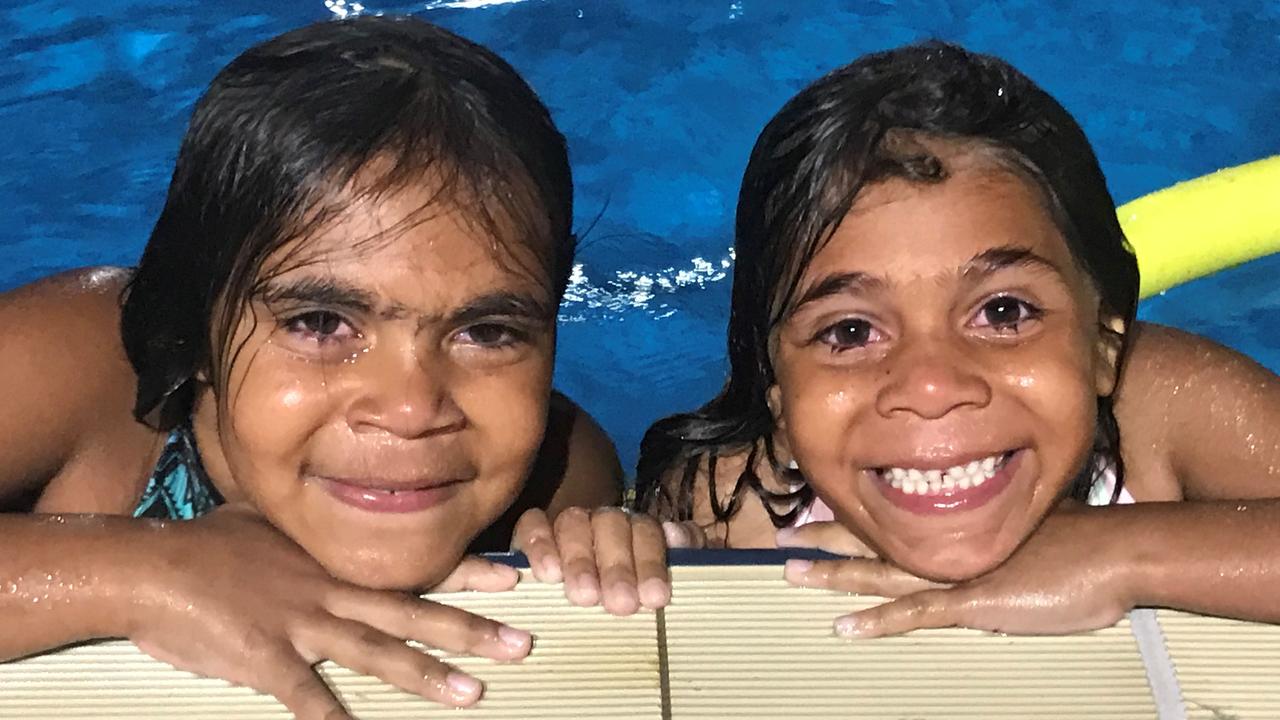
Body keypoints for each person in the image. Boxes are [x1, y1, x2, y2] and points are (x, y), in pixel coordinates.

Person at [0, 16, 665, 719]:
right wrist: (141, 570)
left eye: (488, 330)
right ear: (192, 328)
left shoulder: (561, 470)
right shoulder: (78, 363)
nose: (411, 410)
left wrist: (601, 548)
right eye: (319, 323)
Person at [637, 41, 1280, 635]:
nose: (932, 386)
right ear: (778, 395)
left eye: (1003, 313)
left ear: (1103, 347)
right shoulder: (729, 503)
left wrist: (1126, 550)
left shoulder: (1171, 406)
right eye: (851, 330)